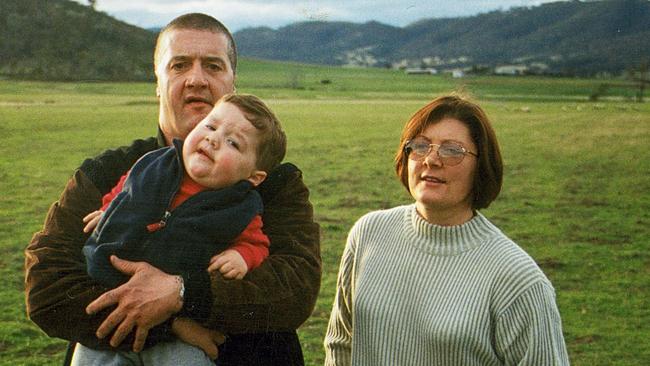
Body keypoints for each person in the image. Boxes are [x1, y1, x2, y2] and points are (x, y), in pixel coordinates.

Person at [25, 13, 321, 366]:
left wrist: (183, 292)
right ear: (157, 81)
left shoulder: (272, 183)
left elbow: (294, 288)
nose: (197, 79)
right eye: (179, 65)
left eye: (213, 66)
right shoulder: (107, 173)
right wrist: (171, 323)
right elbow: (47, 288)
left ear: (233, 82)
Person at [324, 95, 569, 365]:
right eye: (420, 145)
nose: (431, 159)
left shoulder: (517, 279)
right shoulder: (369, 234)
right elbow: (341, 345)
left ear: (481, 166)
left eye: (452, 150)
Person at [74, 93, 285, 364]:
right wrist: (108, 209)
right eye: (210, 126)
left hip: (181, 338)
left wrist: (242, 256)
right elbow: (127, 189)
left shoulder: (240, 208)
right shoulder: (154, 163)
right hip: (109, 318)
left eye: (233, 142)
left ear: (254, 177)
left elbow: (257, 243)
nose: (213, 139)